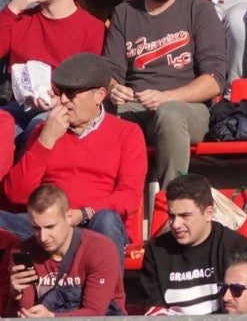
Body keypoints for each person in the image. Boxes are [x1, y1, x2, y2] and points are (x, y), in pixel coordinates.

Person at [103, 0, 226, 185]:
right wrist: (114, 89)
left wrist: (166, 97)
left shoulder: (198, 9)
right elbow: (110, 73)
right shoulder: (124, 13)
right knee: (92, 114)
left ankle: (173, 200)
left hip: (188, 110)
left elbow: (214, 81)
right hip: (136, 107)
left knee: (169, 113)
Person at [0, 54, 144, 256]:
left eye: (71, 94)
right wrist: (45, 141)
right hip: (47, 226)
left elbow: (129, 196)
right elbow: (15, 194)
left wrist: (84, 212)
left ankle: (105, 288)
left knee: (107, 219)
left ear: (99, 95)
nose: (64, 101)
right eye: (60, 93)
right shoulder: (45, 130)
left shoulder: (127, 133)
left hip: (95, 223)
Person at [0, 0, 106, 134]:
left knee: (38, 129)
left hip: (64, 108)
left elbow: (90, 84)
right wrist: (12, 10)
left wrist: (62, 100)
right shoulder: (20, 19)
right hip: (19, 105)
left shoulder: (92, 28)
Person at [2, 184, 125, 318]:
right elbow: (19, 315)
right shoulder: (23, 252)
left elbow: (95, 314)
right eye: (36, 228)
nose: (43, 237)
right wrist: (17, 295)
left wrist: (52, 318)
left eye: (50, 227)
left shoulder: (100, 249)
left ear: (69, 217)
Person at [138, 173, 247, 314]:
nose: (176, 224)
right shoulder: (156, 251)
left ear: (208, 213)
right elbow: (153, 309)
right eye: (172, 216)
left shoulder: (234, 246)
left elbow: (245, 308)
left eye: (185, 216)